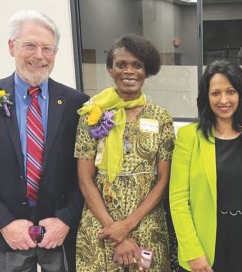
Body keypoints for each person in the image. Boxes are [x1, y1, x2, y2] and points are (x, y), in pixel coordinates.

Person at [0, 9, 89, 272]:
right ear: (12, 46)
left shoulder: (77, 103)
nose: (39, 55)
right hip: (7, 233)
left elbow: (85, 171)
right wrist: (5, 223)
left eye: (48, 48)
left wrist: (65, 219)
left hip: (59, 232)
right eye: (30, 45)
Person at [74, 34, 175, 271]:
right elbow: (84, 178)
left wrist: (127, 224)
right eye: (121, 65)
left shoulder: (161, 117)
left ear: (146, 71)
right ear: (110, 69)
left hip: (147, 223)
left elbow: (163, 179)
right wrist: (114, 229)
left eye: (137, 65)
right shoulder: (91, 113)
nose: (129, 71)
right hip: (101, 224)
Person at [170, 59, 242, 272]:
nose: (224, 100)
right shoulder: (189, 137)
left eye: (230, 91)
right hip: (205, 244)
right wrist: (192, 252)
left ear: (241, 94)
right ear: (206, 96)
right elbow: (178, 200)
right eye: (216, 93)